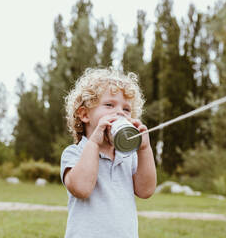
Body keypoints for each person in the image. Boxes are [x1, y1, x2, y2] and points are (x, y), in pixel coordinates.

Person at [61, 68, 156, 238]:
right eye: (109, 105)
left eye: (126, 109)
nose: (120, 112)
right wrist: (94, 143)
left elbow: (146, 190)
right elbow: (81, 189)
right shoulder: (75, 153)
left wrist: (144, 149)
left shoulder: (129, 156)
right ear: (84, 114)